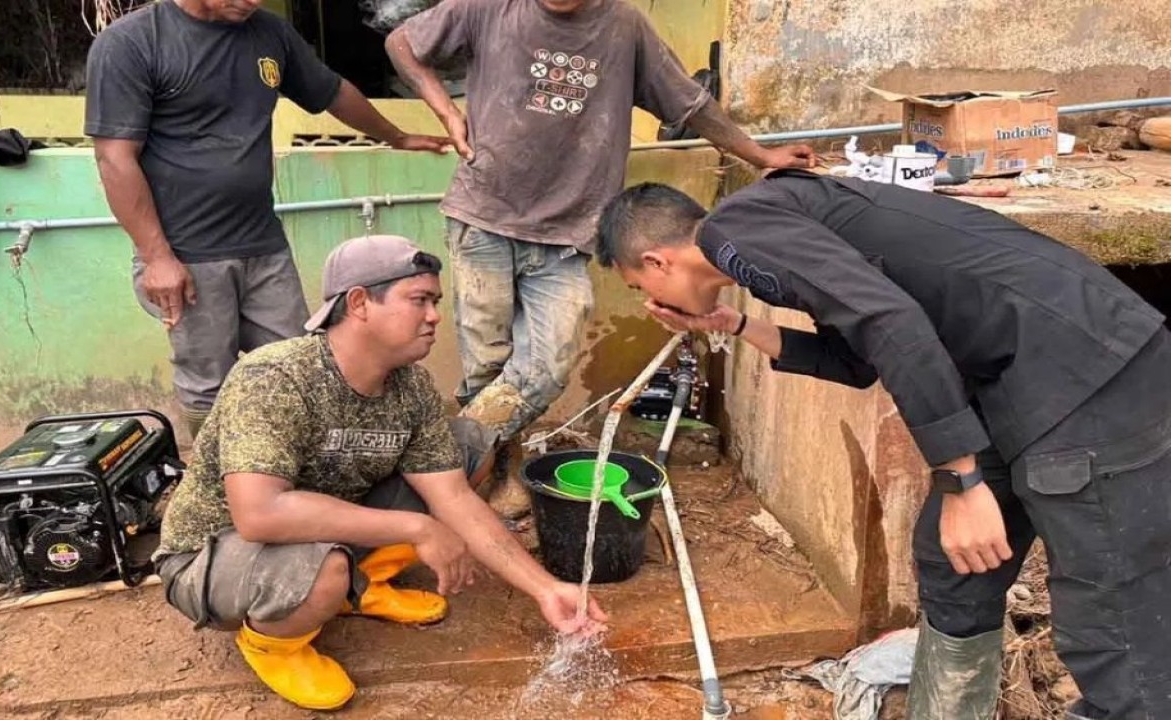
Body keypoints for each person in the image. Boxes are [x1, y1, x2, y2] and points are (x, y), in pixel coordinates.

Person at [592, 173, 1171, 720]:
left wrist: (962, 480)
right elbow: (860, 355)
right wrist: (733, 325)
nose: (647, 297)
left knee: (1110, 614)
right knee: (953, 562)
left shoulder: (732, 232)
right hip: (1020, 379)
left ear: (655, 261)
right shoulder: (770, 227)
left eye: (638, 286)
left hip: (1089, 372)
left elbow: (891, 322)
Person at [385, 0, 817, 514]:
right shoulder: (488, 7)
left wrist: (762, 155)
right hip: (483, 216)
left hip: (569, 231)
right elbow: (402, 43)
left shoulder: (624, 24)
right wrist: (445, 108)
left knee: (546, 365)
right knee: (487, 367)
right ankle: (496, 482)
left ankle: (440, 469)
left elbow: (689, 104)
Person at [152, 234, 607, 711]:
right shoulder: (276, 378)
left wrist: (546, 588)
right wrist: (416, 526)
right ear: (359, 302)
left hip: (316, 530)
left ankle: (360, 586)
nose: (434, 316)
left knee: (467, 447)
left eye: (435, 301)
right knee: (324, 566)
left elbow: (453, 497)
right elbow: (259, 515)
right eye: (419, 300)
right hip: (210, 555)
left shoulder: (410, 388)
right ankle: (272, 642)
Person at [85, 0, 451, 440]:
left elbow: (331, 92)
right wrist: (156, 256)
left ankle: (294, 474)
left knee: (299, 363)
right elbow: (114, 158)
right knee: (209, 382)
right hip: (187, 253)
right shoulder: (132, 42)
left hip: (262, 243)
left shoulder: (269, 34)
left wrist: (397, 135)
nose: (251, 2)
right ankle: (219, 489)